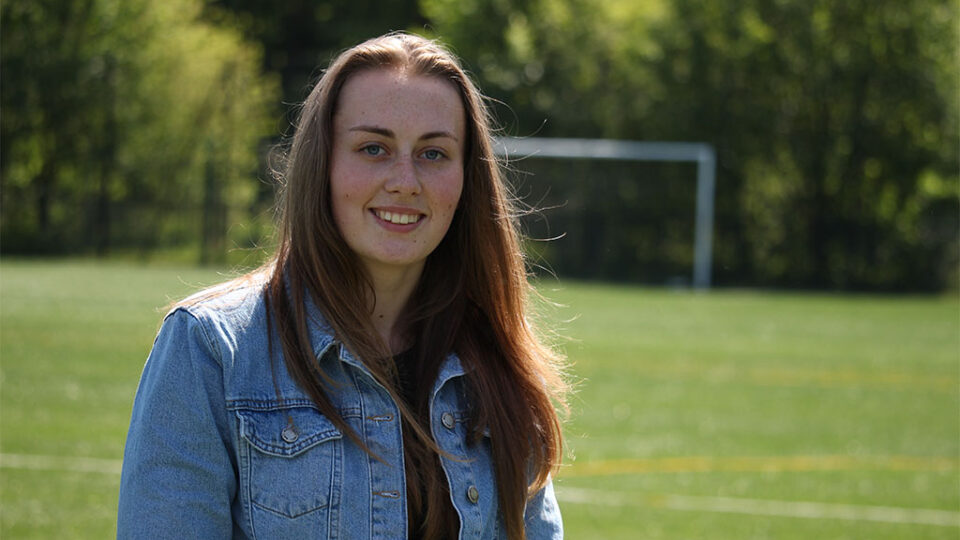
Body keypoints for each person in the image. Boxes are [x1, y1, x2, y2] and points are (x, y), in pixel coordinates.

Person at [117, 32, 567, 540]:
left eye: (434, 154)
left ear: (468, 179)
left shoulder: (495, 357)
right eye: (373, 148)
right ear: (323, 163)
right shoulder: (209, 350)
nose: (405, 180)